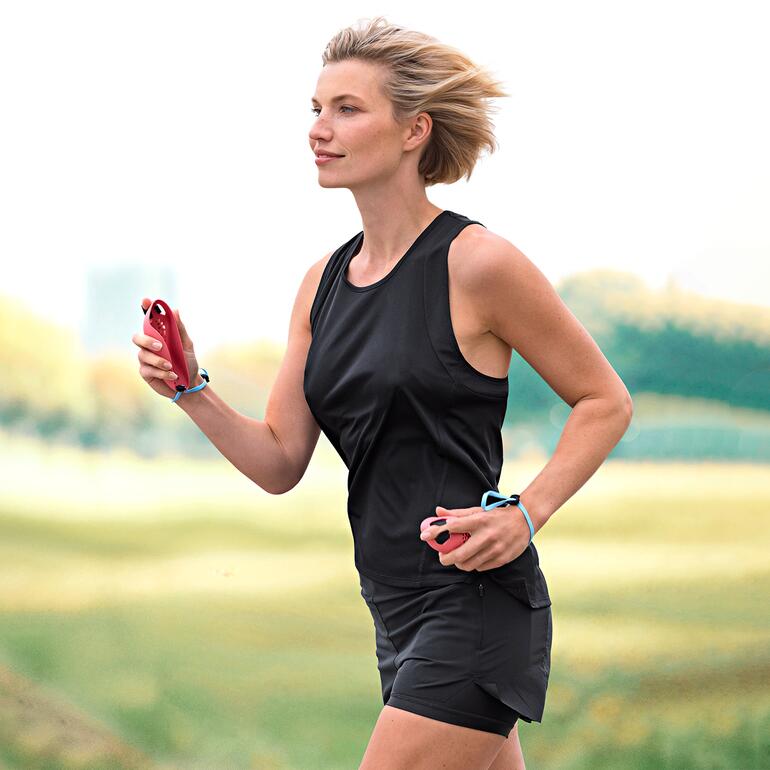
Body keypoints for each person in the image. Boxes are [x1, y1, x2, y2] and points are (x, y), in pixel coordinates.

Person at [132, 16, 633, 770]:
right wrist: (190, 389)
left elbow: (605, 400)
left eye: (347, 108)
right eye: (315, 109)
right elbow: (279, 462)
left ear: (413, 132)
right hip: (393, 613)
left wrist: (527, 512)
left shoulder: (478, 264)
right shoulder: (320, 286)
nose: (318, 129)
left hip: (473, 606)